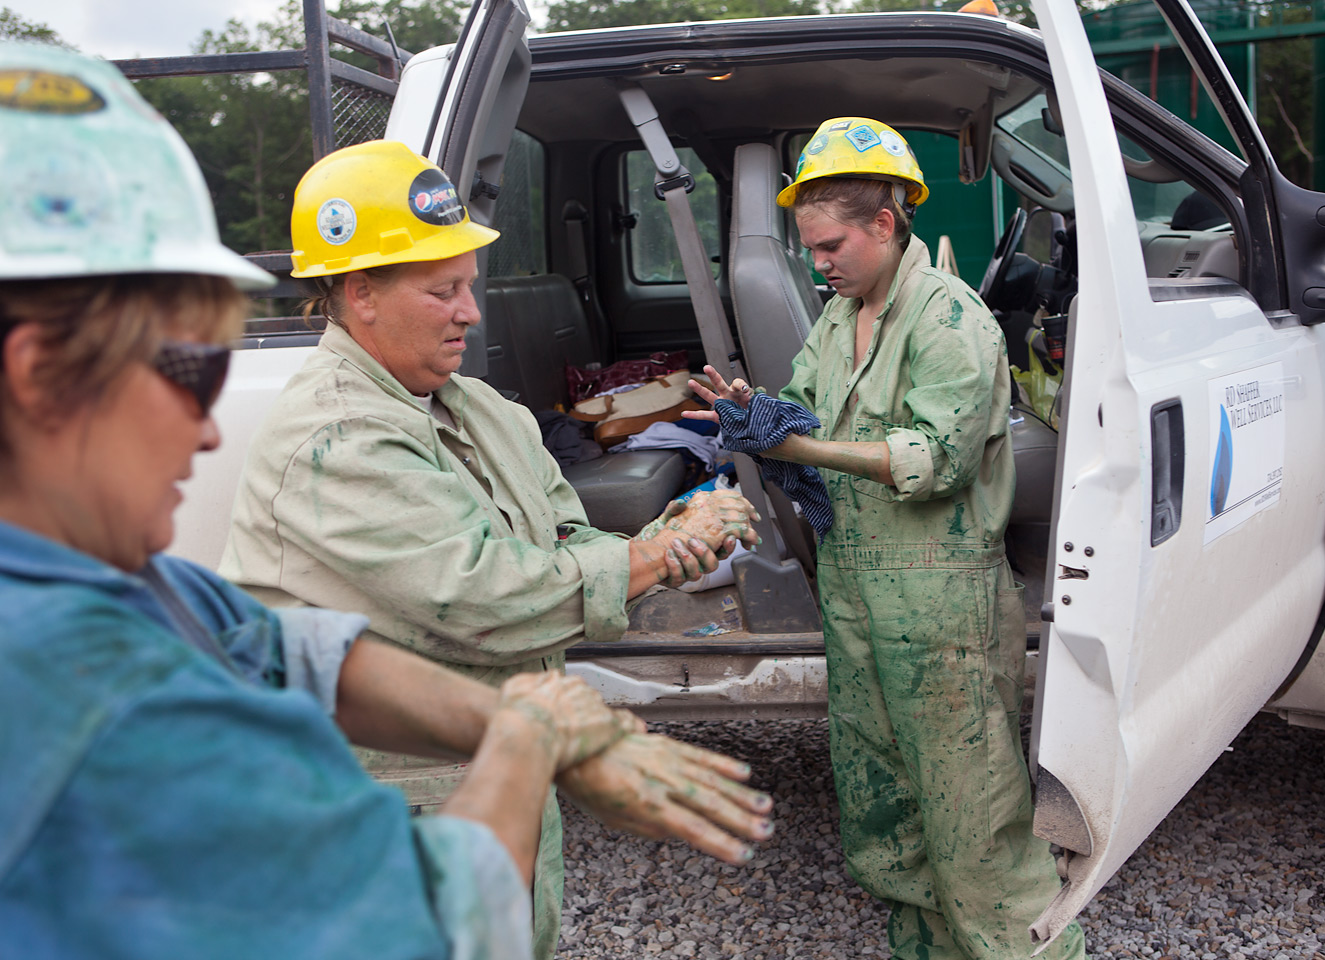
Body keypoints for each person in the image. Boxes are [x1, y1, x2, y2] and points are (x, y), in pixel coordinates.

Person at [0, 43, 771, 959]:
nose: (210, 433)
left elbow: (280, 645)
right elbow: (420, 924)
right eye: (186, 364)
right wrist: (529, 737)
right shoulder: (82, 690)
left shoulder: (138, 589)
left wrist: (531, 722)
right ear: (42, 377)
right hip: (421, 799)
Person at [219, 138, 763, 959]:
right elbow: (486, 596)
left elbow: (558, 531)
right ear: (361, 295)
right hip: (389, 793)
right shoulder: (336, 436)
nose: (471, 313)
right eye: (443, 291)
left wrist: (666, 539)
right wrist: (650, 559)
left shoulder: (475, 405)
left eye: (468, 286)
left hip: (487, 758)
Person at [686, 118, 1087, 959]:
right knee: (886, 805)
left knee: (971, 809)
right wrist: (756, 410)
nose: (820, 263)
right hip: (858, 589)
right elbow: (800, 400)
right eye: (810, 248)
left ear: (886, 220)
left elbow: (933, 457)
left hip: (939, 597)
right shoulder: (839, 319)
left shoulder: (950, 321)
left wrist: (800, 448)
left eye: (833, 245)